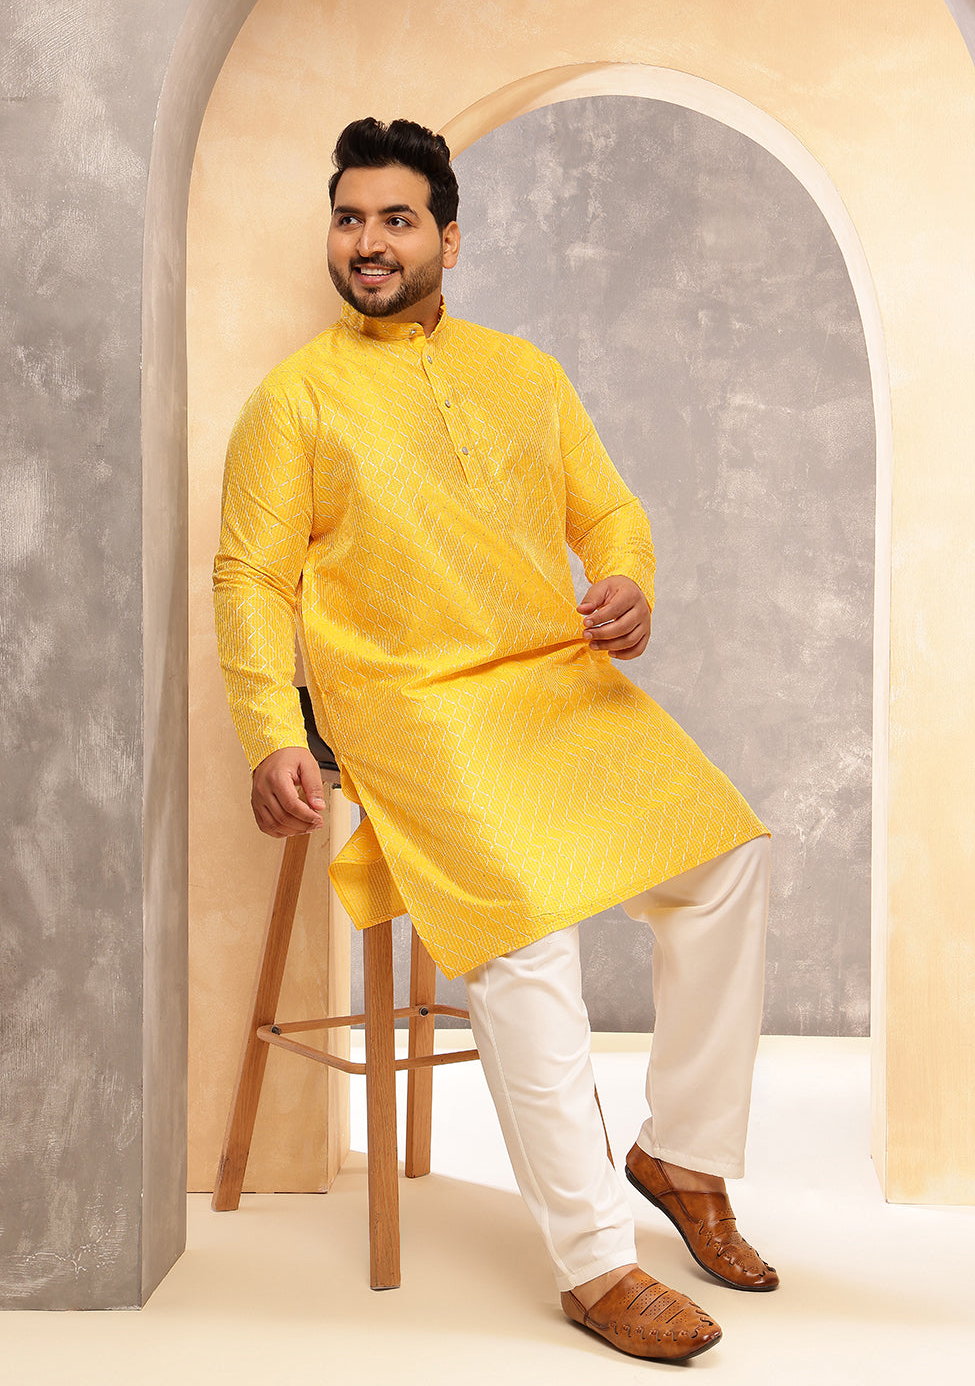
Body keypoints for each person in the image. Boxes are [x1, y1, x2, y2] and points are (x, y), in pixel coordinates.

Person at [214, 117, 777, 1363]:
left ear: (450, 240)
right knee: (522, 928)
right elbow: (249, 575)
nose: (368, 242)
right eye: (350, 218)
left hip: (555, 684)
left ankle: (683, 1156)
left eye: (396, 219)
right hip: (410, 707)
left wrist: (627, 580)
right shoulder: (297, 399)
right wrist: (268, 728)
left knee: (728, 858)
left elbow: (610, 510)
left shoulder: (525, 373)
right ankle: (595, 1263)